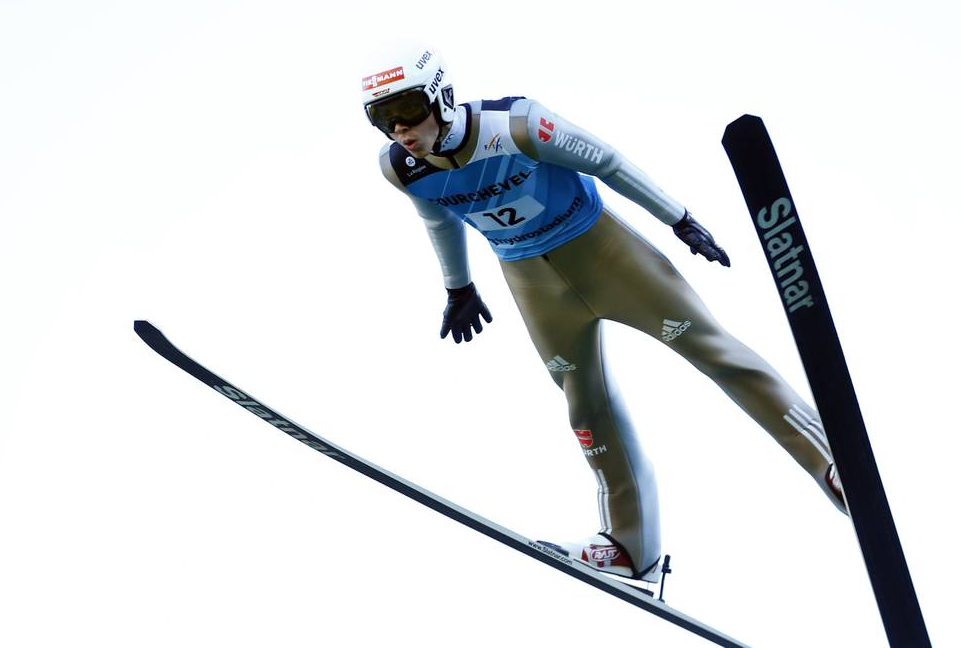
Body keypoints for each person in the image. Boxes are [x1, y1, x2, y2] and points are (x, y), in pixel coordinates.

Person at [363, 45, 846, 584]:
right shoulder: (399, 167)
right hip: (532, 280)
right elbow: (439, 222)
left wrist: (679, 219)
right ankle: (629, 547)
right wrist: (459, 288)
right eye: (382, 117)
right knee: (584, 407)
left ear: (442, 97)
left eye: (407, 109)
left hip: (605, 255)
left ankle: (831, 461)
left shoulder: (517, 124)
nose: (399, 127)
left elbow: (607, 162)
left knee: (712, 349)